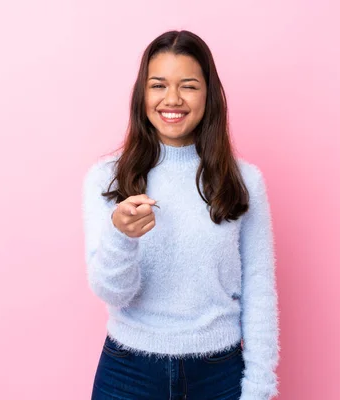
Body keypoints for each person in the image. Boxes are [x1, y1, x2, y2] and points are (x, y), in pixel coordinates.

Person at [83, 30, 279, 400]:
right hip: (128, 374)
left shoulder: (244, 181)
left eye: (188, 86)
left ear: (209, 94)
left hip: (219, 375)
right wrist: (120, 236)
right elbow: (112, 293)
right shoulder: (107, 178)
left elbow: (259, 291)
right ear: (142, 93)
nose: (172, 99)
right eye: (158, 85)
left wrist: (260, 387)